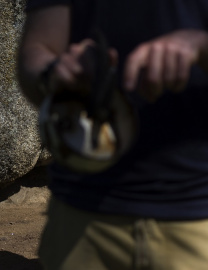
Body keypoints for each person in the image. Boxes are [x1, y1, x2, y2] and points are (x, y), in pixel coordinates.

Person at [18, 1, 208, 269]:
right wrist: (53, 72)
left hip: (198, 220)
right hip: (80, 221)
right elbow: (37, 50)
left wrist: (200, 45)